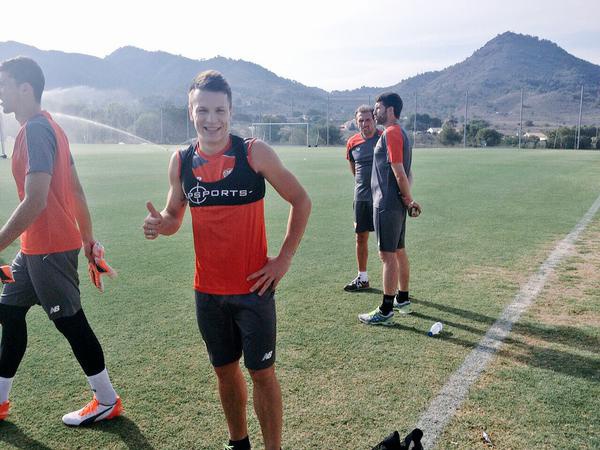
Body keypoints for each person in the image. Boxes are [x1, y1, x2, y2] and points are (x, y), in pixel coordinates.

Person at [142, 70, 311, 450]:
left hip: (254, 290)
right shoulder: (181, 161)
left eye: (219, 110)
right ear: (191, 112)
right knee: (224, 371)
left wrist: (283, 259)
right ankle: (239, 443)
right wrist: (159, 224)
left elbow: (301, 200)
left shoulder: (253, 153)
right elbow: (174, 216)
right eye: (202, 110)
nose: (211, 119)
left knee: (262, 373)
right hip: (208, 293)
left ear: (231, 112)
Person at [0, 57, 122, 424]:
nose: (0, 92)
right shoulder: (50, 127)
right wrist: (88, 241)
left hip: (49, 247)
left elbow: (35, 200)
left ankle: (106, 400)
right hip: (34, 249)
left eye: (4, 84)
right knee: (10, 312)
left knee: (71, 322)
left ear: (25, 89)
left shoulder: (37, 131)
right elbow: (77, 190)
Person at [358, 92, 421, 325]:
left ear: (390, 110)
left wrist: (409, 199)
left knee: (387, 256)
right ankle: (402, 299)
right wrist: (406, 200)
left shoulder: (392, 133)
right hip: (395, 203)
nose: (375, 112)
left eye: (378, 108)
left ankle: (385, 311)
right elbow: (408, 172)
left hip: (385, 203)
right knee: (398, 251)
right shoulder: (400, 133)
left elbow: (400, 172)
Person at [343, 105, 381, 292]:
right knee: (361, 237)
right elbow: (354, 169)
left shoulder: (384, 137)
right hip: (361, 198)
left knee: (387, 242)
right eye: (361, 120)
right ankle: (363, 278)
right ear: (356, 122)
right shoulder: (352, 142)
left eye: (368, 120)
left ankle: (397, 286)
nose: (365, 124)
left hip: (382, 198)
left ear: (374, 120)